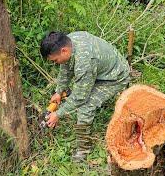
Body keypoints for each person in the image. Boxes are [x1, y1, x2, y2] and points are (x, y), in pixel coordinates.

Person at [40, 31, 130, 162]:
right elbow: (65, 68)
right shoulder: (70, 41)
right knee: (77, 92)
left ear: (64, 51)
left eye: (55, 60)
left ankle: (83, 149)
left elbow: (81, 98)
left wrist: (58, 114)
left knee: (85, 106)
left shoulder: (85, 63)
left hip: (115, 77)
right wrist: (59, 91)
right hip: (100, 71)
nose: (56, 63)